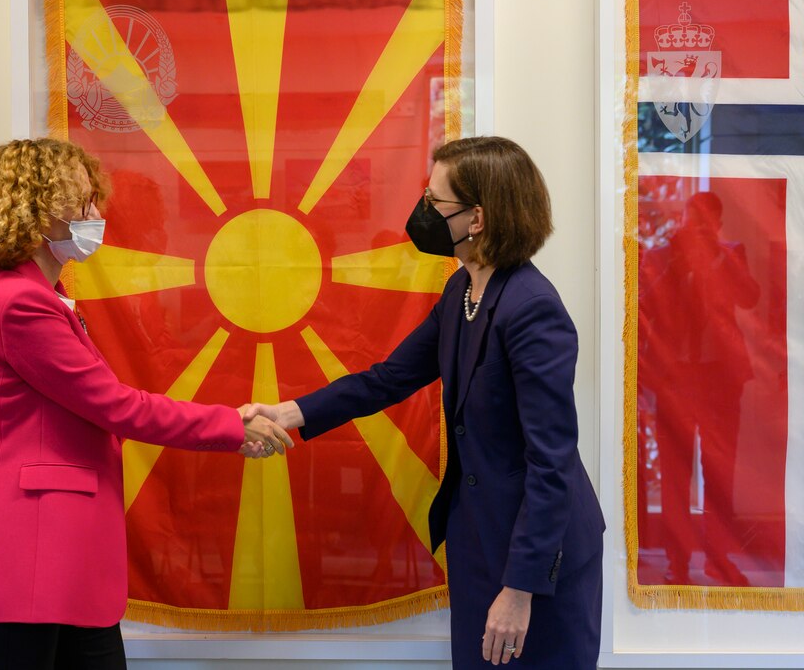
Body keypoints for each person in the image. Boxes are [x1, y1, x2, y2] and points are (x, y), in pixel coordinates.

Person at [0, 138, 293, 669]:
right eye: (81, 204)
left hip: (57, 551)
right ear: (36, 211)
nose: (95, 216)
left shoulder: (37, 296)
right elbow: (117, 407)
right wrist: (232, 424)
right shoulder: (21, 303)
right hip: (27, 551)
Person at [246, 136, 604, 668]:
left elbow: (550, 463)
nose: (423, 212)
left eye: (435, 202)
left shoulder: (533, 310)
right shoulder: (462, 288)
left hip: (536, 559)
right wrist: (290, 413)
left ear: (477, 219)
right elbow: (387, 379)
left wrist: (520, 590)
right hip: (480, 541)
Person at [638, 191, 759, 586]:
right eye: (694, 219)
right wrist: (678, 258)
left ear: (718, 224)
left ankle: (718, 558)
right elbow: (650, 306)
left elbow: (749, 297)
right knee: (675, 473)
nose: (699, 227)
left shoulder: (731, 253)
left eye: (707, 221)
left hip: (721, 381)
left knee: (722, 470)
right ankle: (677, 562)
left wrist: (718, 260)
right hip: (676, 380)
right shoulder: (665, 255)